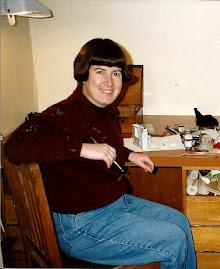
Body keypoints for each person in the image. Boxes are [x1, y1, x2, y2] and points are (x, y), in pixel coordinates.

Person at [4, 38, 196, 269]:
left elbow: (100, 144)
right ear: (84, 75)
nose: (109, 82)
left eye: (115, 73)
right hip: (80, 225)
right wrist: (82, 148)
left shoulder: (104, 110)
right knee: (172, 239)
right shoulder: (63, 114)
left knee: (180, 222)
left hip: (114, 205)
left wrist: (127, 154)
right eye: (100, 71)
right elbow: (14, 147)